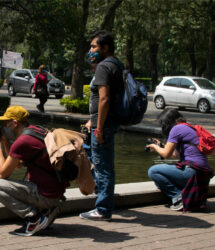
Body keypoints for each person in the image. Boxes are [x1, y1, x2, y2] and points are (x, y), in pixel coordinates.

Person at [0, 106, 68, 236]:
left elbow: (3, 173)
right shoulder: (37, 131)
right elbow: (17, 164)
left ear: (15, 123)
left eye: (6, 123)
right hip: (56, 192)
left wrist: (0, 145)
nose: (4, 126)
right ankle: (48, 210)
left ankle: (34, 218)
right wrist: (5, 142)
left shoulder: (22, 141)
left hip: (45, 195)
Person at [79, 30, 123, 221]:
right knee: (90, 154)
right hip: (103, 122)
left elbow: (104, 99)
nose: (91, 50)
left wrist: (98, 127)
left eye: (94, 46)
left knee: (103, 166)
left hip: (103, 125)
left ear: (105, 48)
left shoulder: (104, 66)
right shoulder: (116, 64)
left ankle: (103, 209)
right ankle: (103, 194)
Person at [147, 108, 213, 212]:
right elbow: (176, 154)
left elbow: (166, 154)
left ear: (167, 122)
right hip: (202, 173)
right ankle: (184, 195)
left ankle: (178, 197)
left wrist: (155, 147)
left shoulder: (176, 129)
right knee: (170, 169)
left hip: (192, 172)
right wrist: (161, 146)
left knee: (153, 171)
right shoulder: (188, 127)